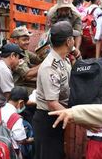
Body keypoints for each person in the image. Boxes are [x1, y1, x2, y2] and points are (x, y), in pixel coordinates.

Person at [33, 21, 81, 159]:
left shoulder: (64, 59)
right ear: (68, 41)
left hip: (58, 117)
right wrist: (77, 118)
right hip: (47, 121)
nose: (74, 40)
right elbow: (52, 103)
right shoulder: (51, 67)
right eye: (73, 38)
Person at [0, 86, 34, 158]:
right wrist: (30, 140)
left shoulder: (1, 110)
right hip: (11, 151)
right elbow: (20, 140)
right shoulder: (16, 118)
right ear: (21, 102)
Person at [11, 26, 42, 94]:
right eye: (24, 40)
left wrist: (44, 51)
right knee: (41, 94)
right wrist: (46, 63)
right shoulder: (15, 55)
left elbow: (38, 59)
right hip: (17, 87)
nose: (28, 42)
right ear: (16, 40)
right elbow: (27, 75)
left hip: (24, 83)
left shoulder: (24, 51)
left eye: (28, 39)